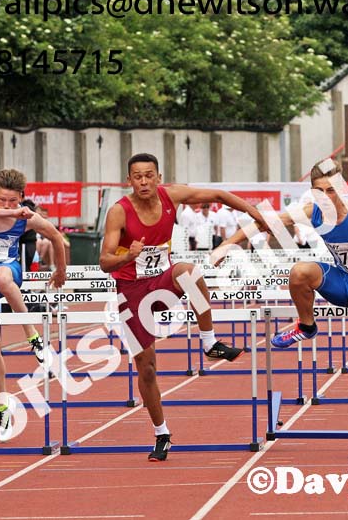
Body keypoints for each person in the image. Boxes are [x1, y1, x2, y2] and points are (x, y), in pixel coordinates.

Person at [214, 160, 348, 460]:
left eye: (332, 189)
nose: (326, 196)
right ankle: (306, 326)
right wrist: (226, 245)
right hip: (342, 281)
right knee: (300, 272)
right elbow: (266, 221)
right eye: (320, 191)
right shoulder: (310, 212)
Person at [99, 153, 267, 462]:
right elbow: (104, 262)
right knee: (146, 368)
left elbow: (218, 194)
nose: (144, 181)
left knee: (189, 271)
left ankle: (209, 342)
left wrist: (253, 212)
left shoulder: (170, 196)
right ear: (129, 181)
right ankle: (162, 433)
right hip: (132, 293)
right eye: (137, 176)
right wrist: (126, 256)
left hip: (163, 280)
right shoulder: (118, 213)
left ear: (159, 177)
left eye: (149, 175)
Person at [0, 169, 67, 440]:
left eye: (14, 201)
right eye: (3, 200)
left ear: (22, 197)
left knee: (1, 277)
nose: (8, 205)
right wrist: (7, 212)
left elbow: (58, 237)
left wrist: (61, 270)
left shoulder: (28, 219)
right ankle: (2, 405)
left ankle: (33, 338)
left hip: (8, 271)